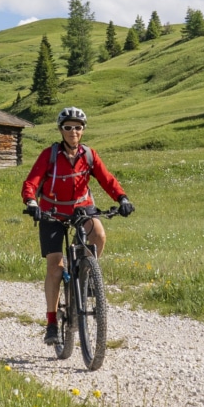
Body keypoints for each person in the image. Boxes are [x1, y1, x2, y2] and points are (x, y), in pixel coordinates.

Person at [20, 106, 132, 346]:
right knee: (55, 267)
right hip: (51, 212)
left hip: (82, 208)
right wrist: (31, 202)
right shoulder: (49, 155)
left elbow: (107, 179)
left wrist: (122, 198)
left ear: (83, 130)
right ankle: (51, 323)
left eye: (78, 127)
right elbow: (32, 181)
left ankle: (86, 276)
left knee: (99, 236)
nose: (73, 131)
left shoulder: (89, 155)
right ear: (61, 130)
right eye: (68, 127)